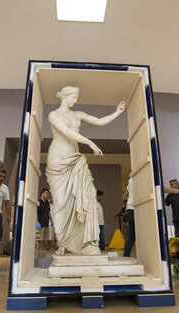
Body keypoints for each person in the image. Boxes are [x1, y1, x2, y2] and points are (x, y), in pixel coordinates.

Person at [45, 86, 125, 256]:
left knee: (89, 194)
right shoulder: (53, 115)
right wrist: (90, 143)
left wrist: (117, 112)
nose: (76, 100)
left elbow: (99, 121)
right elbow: (66, 132)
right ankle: (64, 242)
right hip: (58, 162)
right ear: (64, 96)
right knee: (61, 204)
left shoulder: (78, 114)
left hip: (75, 160)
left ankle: (88, 242)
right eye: (73, 97)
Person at [123, 177, 179, 257]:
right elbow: (161, 188)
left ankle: (126, 256)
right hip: (137, 210)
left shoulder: (131, 179)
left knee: (131, 236)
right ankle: (148, 259)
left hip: (129, 209)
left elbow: (126, 194)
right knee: (146, 235)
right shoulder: (144, 174)